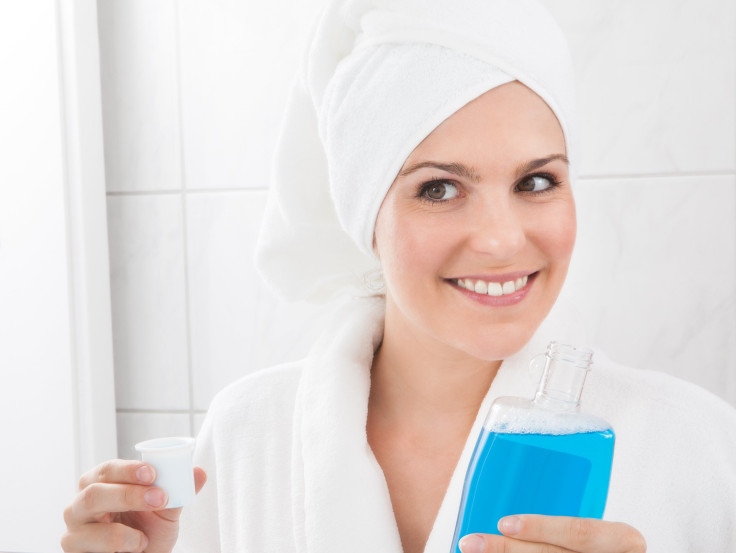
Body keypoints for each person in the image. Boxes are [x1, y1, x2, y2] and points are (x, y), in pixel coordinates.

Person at [61, 0, 736, 552]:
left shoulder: (695, 449)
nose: (503, 237)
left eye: (537, 180)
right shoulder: (246, 437)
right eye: (440, 189)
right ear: (365, 216)